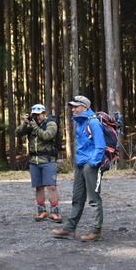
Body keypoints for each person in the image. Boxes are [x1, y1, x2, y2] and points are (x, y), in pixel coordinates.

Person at [52, 95, 105, 242]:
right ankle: (69, 229)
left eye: (76, 106)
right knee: (77, 197)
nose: (73, 109)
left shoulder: (93, 122)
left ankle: (96, 231)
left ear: (85, 107)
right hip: (80, 165)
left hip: (90, 166)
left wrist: (92, 164)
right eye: (73, 107)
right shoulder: (79, 123)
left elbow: (100, 146)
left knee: (93, 199)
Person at [16, 104, 61, 222]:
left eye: (39, 114)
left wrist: (35, 127)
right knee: (38, 187)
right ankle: (42, 211)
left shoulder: (51, 123)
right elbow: (18, 133)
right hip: (34, 161)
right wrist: (25, 123)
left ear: (44, 114)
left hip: (48, 160)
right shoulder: (31, 124)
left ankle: (55, 212)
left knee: (51, 187)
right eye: (35, 115)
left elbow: (47, 136)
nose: (37, 117)